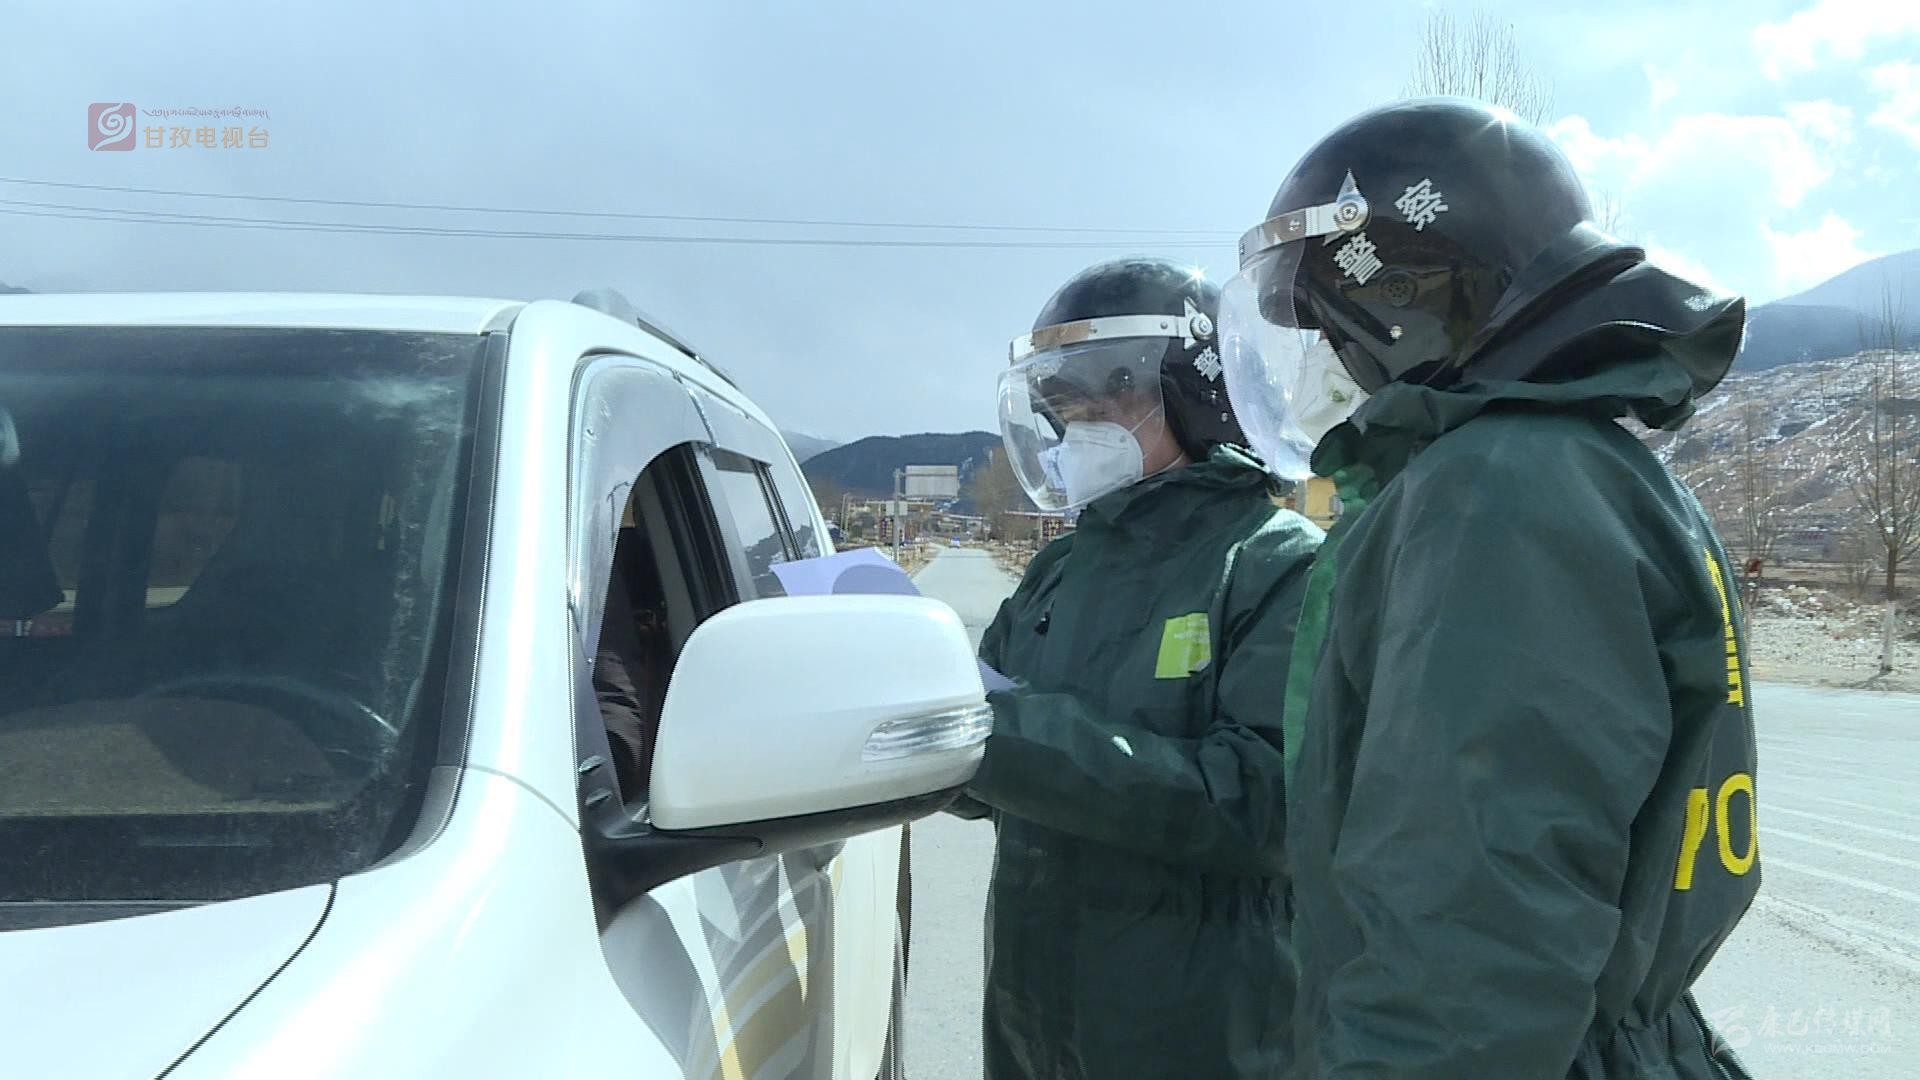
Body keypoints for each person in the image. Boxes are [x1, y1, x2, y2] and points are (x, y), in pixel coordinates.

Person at [1215, 97, 1760, 1078]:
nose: (1328, 364)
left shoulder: (1498, 493)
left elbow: (1464, 968)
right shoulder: (1576, 469)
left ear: (1409, 300)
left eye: (1333, 328)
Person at [953, 255, 1322, 1079]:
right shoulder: (1059, 571)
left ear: (1199, 397)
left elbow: (1266, 803)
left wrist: (1000, 737)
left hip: (1196, 1033)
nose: (1082, 433)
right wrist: (921, 737)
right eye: (1067, 414)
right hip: (1031, 1016)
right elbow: (985, 762)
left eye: (1106, 405)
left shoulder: (1277, 567)